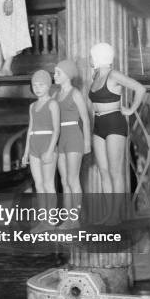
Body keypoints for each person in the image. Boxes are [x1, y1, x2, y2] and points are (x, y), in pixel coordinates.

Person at [89, 42, 146, 193]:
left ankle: (116, 215)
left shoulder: (113, 74)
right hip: (98, 124)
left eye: (91, 55)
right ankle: (109, 215)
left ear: (97, 56)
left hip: (114, 124)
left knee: (115, 173)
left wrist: (131, 110)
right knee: (103, 172)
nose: (89, 58)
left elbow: (140, 88)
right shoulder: (95, 75)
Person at [53, 59, 91, 206]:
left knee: (72, 179)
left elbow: (86, 120)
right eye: (55, 72)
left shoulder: (75, 93)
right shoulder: (56, 95)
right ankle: (68, 218)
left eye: (58, 73)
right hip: (61, 139)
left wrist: (87, 143)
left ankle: (75, 218)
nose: (54, 76)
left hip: (74, 137)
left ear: (67, 75)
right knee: (64, 181)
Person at [22, 70, 60, 197]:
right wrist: (26, 152)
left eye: (41, 85)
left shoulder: (53, 103)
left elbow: (56, 130)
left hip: (47, 145)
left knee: (49, 185)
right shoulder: (32, 106)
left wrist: (50, 151)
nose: (37, 88)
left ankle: (51, 217)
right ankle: (44, 217)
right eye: (35, 85)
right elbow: (30, 129)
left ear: (48, 85)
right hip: (34, 147)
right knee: (38, 185)